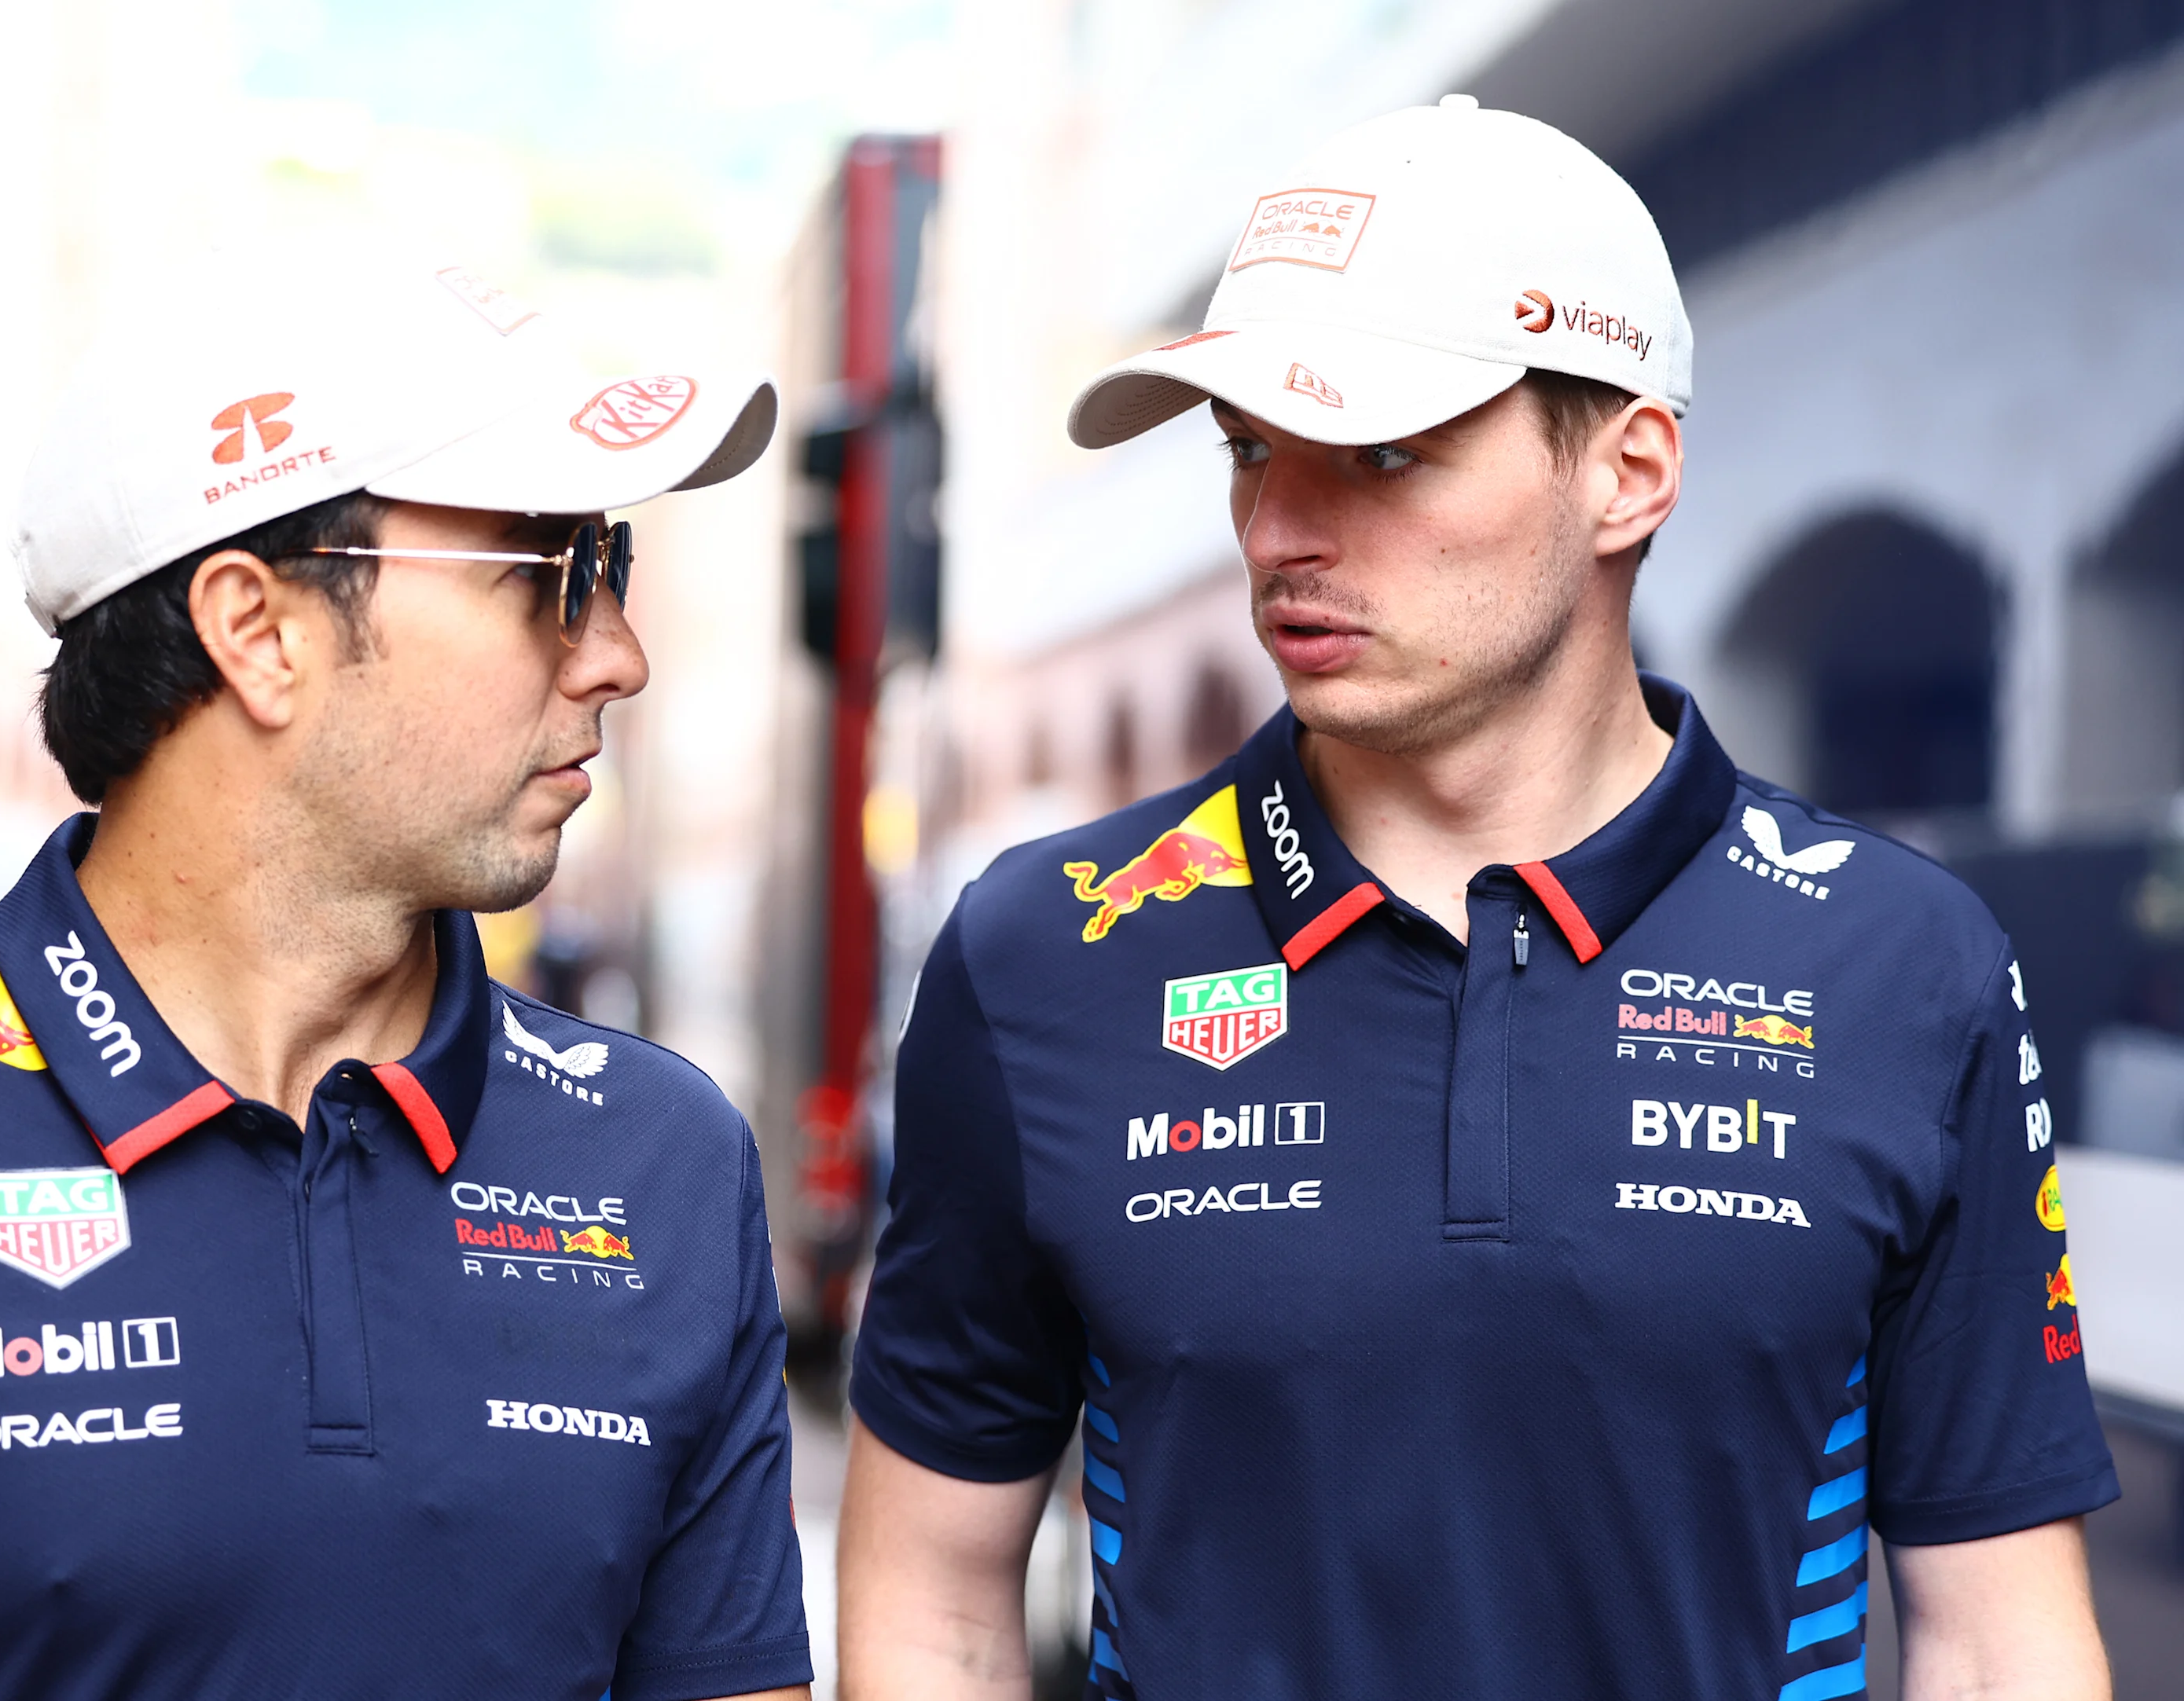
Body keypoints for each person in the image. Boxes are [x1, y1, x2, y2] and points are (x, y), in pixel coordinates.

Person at [839, 97, 2116, 1700]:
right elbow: (933, 1608)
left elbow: (2001, 1642)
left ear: (1627, 470)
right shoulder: (1050, 949)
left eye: (1383, 451)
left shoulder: (1902, 963)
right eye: (1248, 448)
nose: (1280, 529)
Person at [0, 258, 811, 1701]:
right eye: (551, 572)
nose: (616, 656)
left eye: (613, 569)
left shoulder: (663, 1158)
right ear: (258, 630)